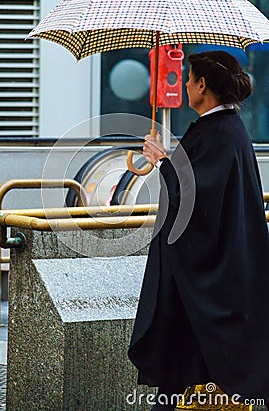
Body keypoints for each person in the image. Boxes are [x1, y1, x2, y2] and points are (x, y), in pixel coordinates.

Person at [128, 51, 269, 410]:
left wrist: (162, 160)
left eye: (189, 79)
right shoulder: (226, 129)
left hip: (207, 284)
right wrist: (167, 158)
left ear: (203, 85)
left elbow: (197, 199)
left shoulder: (218, 131)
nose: (187, 85)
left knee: (193, 373)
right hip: (219, 277)